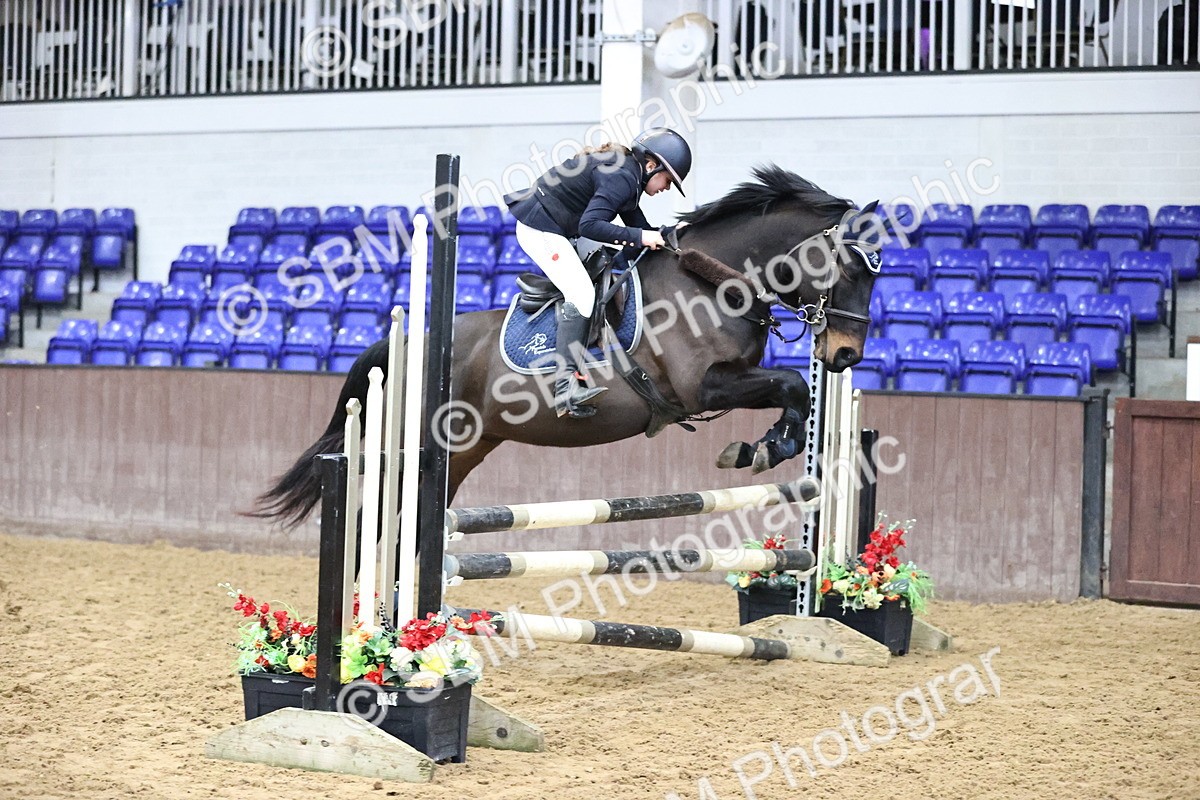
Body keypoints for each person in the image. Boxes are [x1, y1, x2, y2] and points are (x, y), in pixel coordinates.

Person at [503, 127, 693, 419]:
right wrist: (644, 237)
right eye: (668, 179)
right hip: (539, 227)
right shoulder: (621, 177)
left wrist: (666, 234)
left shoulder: (629, 177)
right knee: (581, 293)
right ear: (651, 164)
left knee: (606, 266)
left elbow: (637, 231)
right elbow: (592, 226)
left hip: (563, 226)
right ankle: (565, 385)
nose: (667, 187)